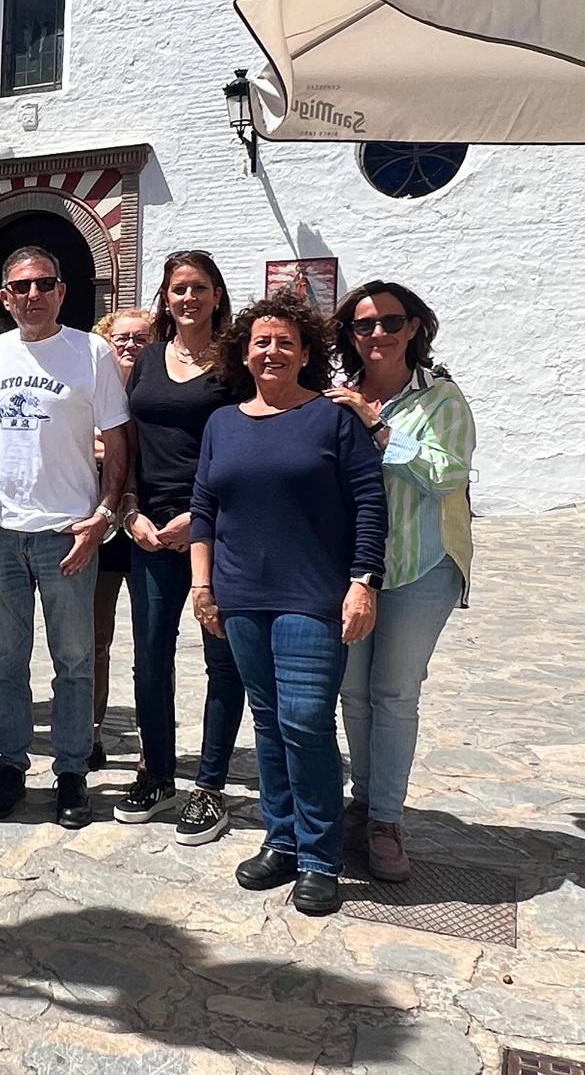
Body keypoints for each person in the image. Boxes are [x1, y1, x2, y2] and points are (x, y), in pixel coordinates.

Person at [190, 294, 386, 917]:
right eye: (261, 342)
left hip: (312, 596)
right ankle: (281, 840)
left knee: (305, 722)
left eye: (285, 342)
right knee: (269, 722)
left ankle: (321, 857)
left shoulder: (333, 419)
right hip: (240, 596)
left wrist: (363, 581)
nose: (271, 351)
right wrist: (202, 586)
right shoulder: (222, 424)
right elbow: (204, 510)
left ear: (305, 354)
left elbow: (369, 503)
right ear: (243, 353)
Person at [0, 248, 131, 829]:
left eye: (44, 284)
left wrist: (104, 513)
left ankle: (71, 772)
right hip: (0, 533)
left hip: (67, 533)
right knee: (5, 661)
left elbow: (118, 438)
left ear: (62, 291)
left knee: (75, 661)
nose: (32, 294)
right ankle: (11, 765)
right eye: (21, 286)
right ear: (5, 297)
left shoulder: (91, 352)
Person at [328, 281, 476, 883]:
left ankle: (385, 820)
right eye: (364, 325)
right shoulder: (338, 394)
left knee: (393, 692)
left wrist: (380, 428)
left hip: (422, 563)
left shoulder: (441, 398)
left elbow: (447, 475)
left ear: (413, 327)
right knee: (353, 691)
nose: (378, 335)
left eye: (391, 322)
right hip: (352, 567)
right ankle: (363, 803)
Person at [115, 253, 247, 846]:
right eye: (177, 289)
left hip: (218, 527)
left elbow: (247, 440)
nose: (187, 298)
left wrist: (200, 517)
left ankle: (211, 784)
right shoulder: (147, 359)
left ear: (217, 295)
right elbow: (131, 440)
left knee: (222, 658)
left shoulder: (236, 362)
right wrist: (131, 508)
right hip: (150, 529)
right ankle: (158, 773)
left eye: (198, 288)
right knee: (150, 655)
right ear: (165, 297)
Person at [89, 307, 152, 772]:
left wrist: (111, 448)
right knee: (95, 640)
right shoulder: (93, 391)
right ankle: (90, 732)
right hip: (103, 525)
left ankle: (154, 741)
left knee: (151, 644)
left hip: (150, 523)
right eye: (122, 338)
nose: (130, 346)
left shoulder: (160, 392)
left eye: (141, 339)